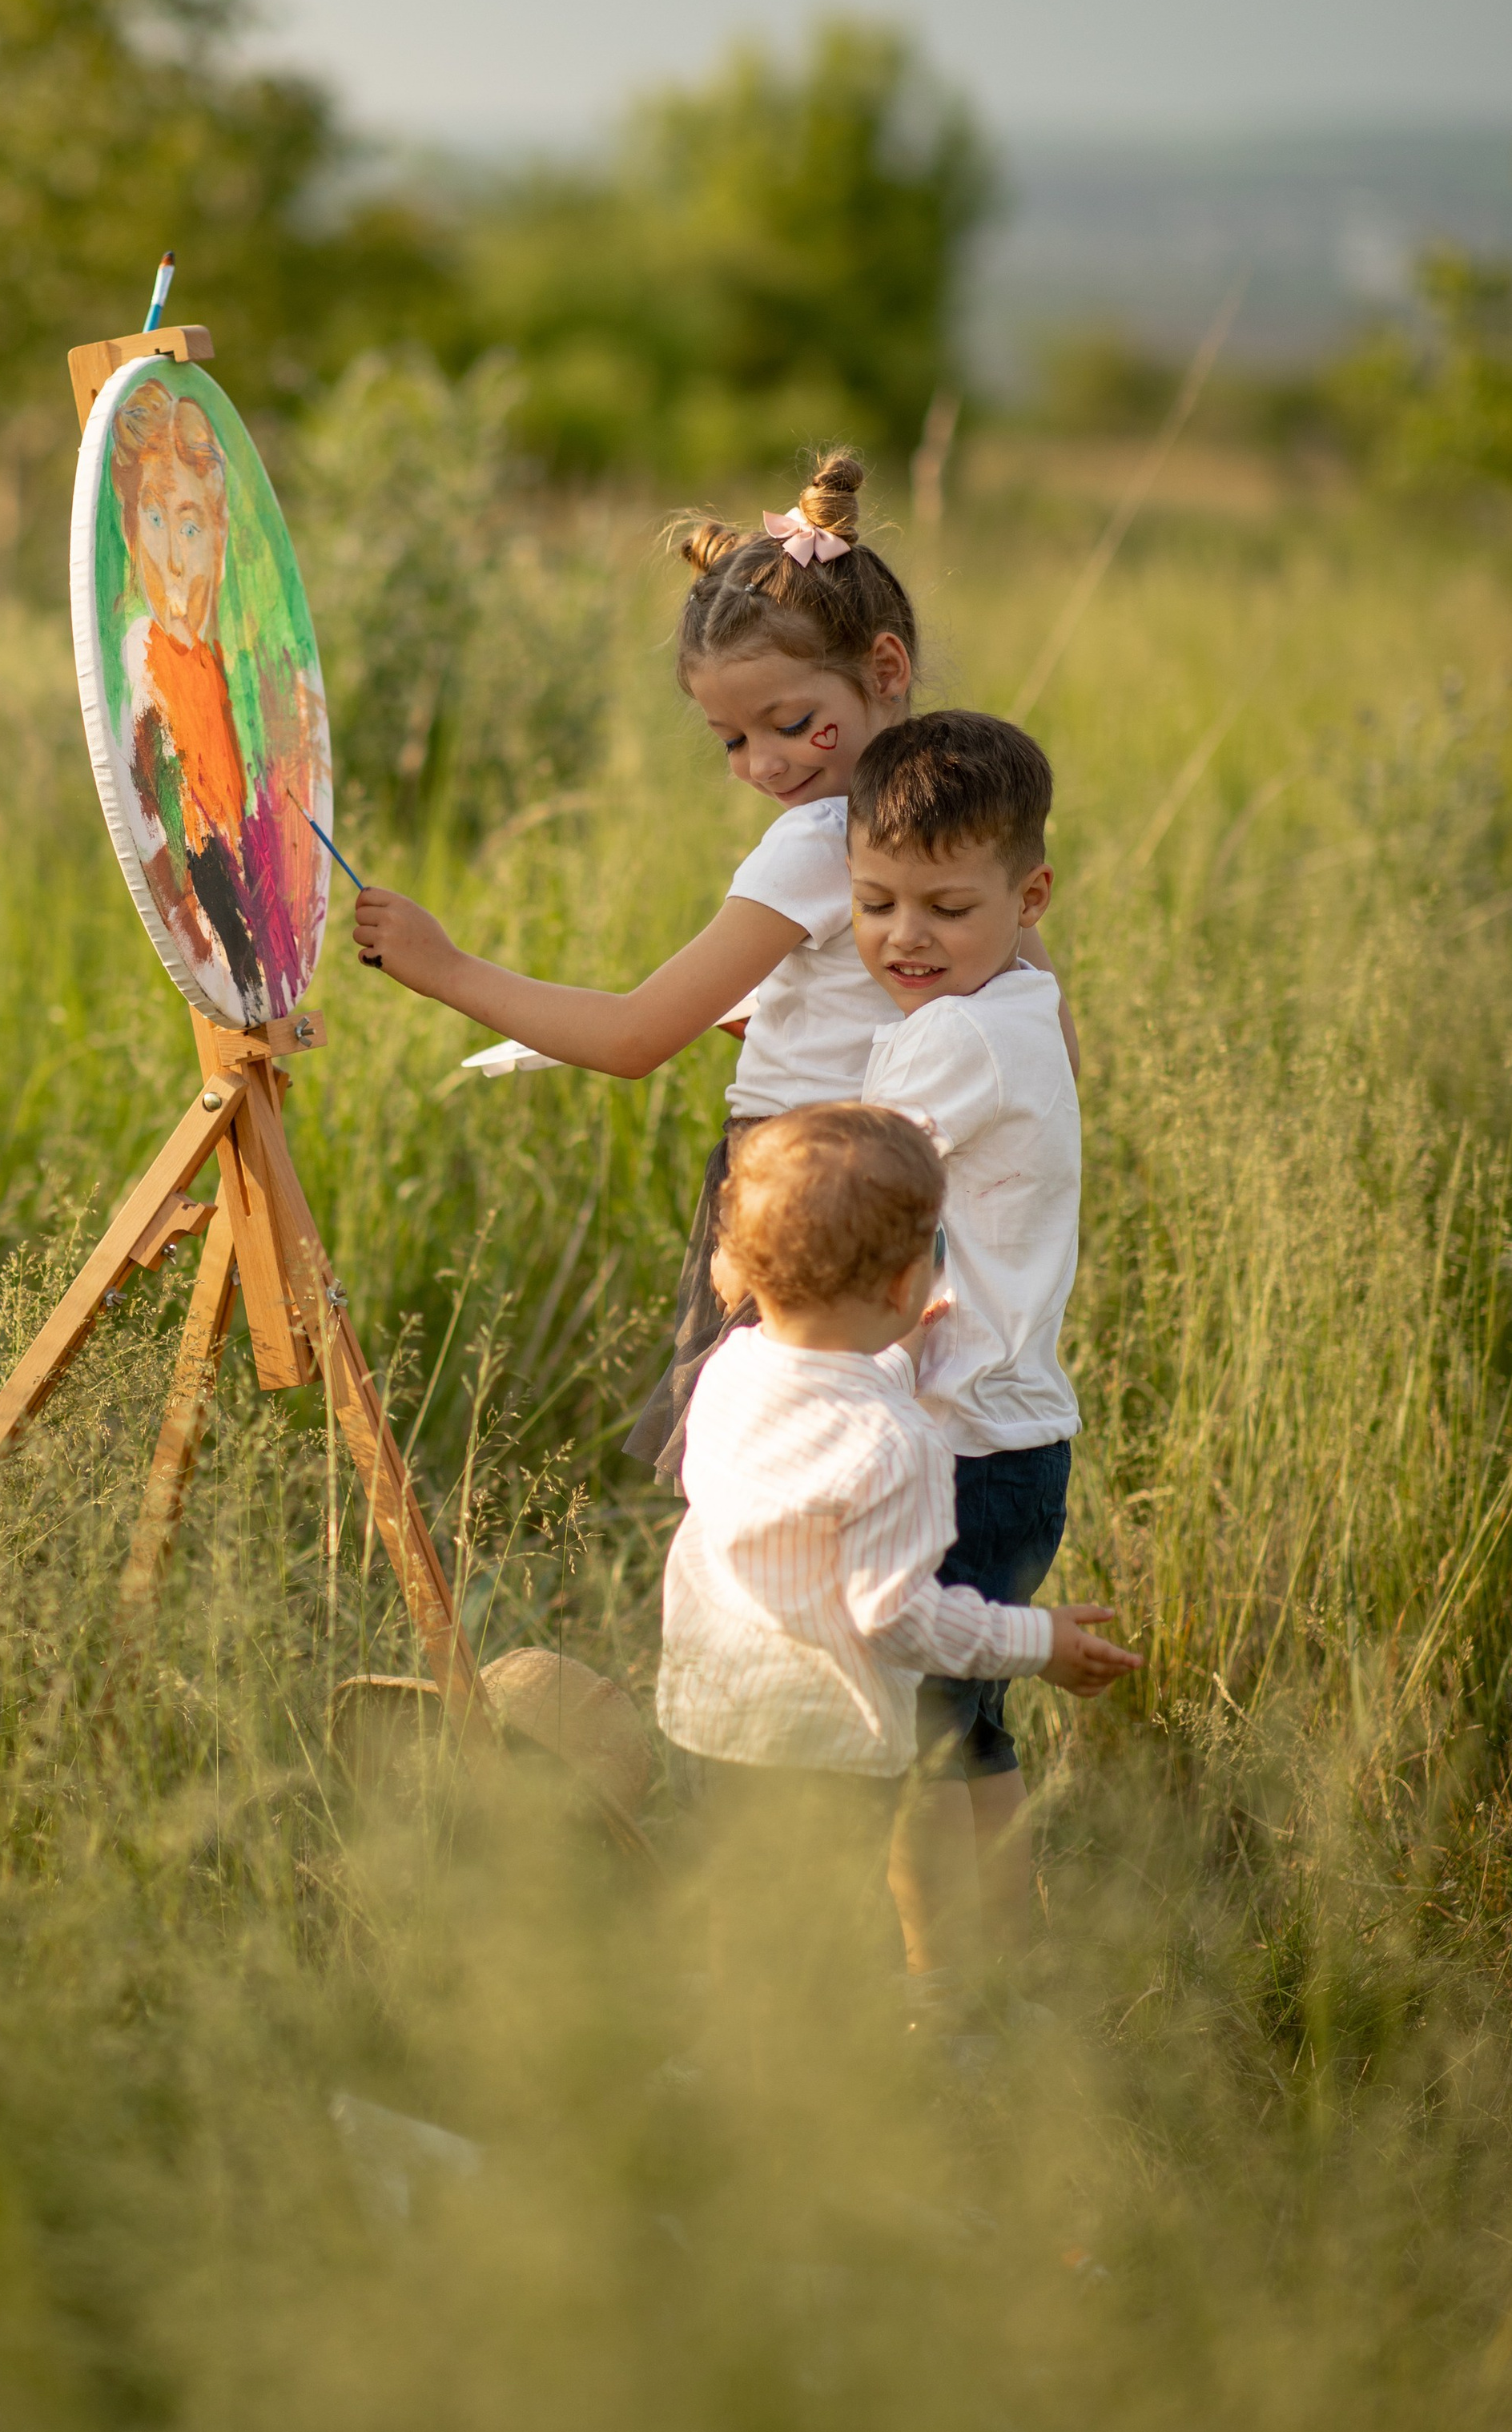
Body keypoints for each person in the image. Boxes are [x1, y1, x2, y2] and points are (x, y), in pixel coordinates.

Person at [349, 449, 1076, 1472]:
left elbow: (634, 1036)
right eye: (730, 741)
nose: (766, 763)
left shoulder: (821, 839)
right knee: (877, 1475)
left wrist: (444, 965)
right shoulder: (962, 839)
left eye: (789, 722)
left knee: (764, 1472)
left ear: (884, 669)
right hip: (912, 1198)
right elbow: (1047, 1039)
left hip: (796, 1188)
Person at [653, 1104, 1136, 1993]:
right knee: (835, 1935)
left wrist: (896, 1347)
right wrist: (1038, 1641)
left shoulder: (731, 1370)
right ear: (907, 1279)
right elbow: (897, 1619)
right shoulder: (898, 1443)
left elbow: (820, 1385)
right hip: (817, 1736)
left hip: (710, 1711)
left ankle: (736, 2067)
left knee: (749, 1912)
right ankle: (835, 2096)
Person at [843, 710, 1084, 1995]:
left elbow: (855, 1186)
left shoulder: (954, 1036)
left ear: (1027, 894)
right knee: (965, 1728)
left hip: (957, 1446)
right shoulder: (1022, 1009)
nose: (902, 938)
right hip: (1018, 1442)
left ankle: (947, 2007)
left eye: (945, 907)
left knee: (918, 1743)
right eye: (876, 903)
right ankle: (1003, 1971)